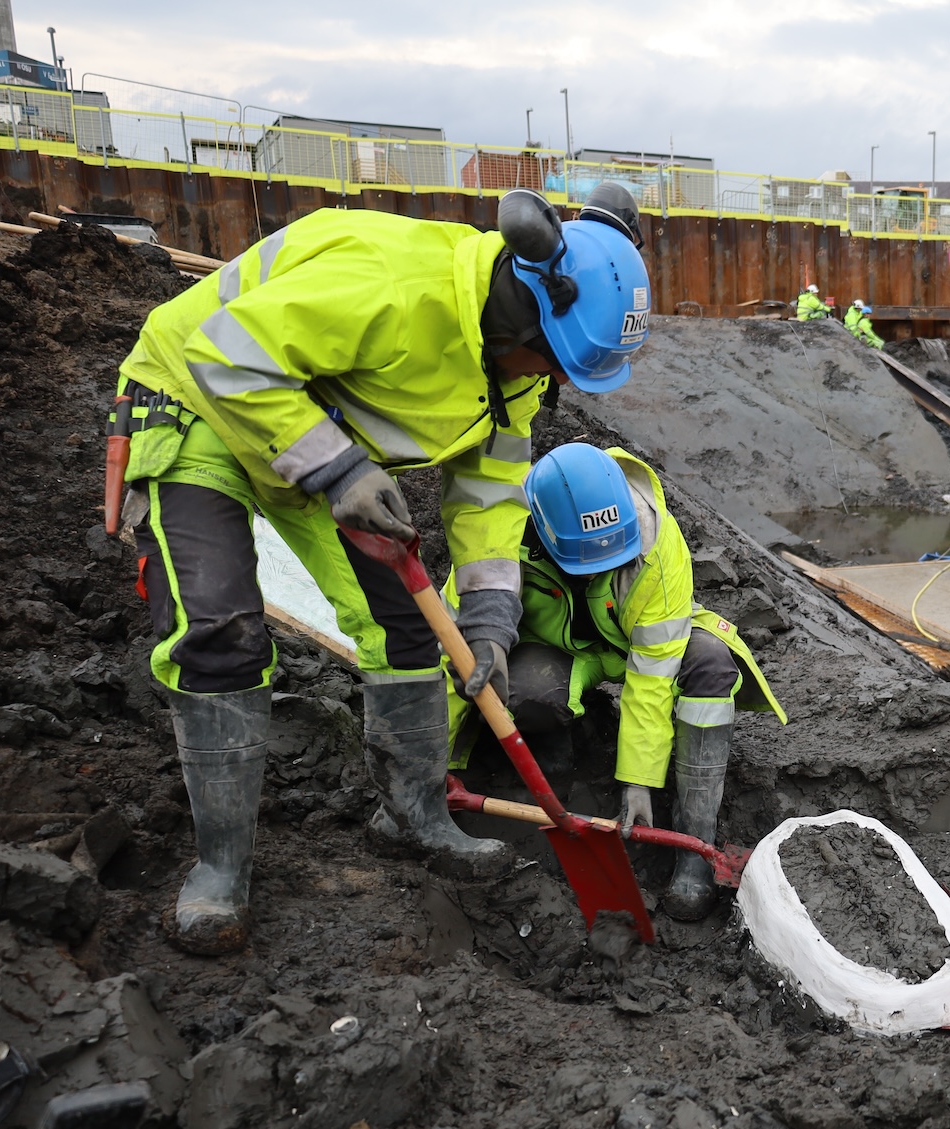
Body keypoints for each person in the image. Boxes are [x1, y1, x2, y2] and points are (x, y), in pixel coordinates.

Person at [112, 183, 650, 955]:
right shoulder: (397, 290)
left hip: (309, 434)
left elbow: (491, 489)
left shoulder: (520, 369)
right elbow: (226, 353)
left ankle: (414, 818)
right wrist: (338, 472)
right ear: (521, 305)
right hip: (200, 400)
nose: (554, 380)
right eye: (555, 361)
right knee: (221, 630)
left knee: (405, 634)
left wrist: (492, 622)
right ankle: (220, 870)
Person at [447, 441, 785, 922]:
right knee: (526, 693)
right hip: (557, 650)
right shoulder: (498, 538)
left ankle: (693, 850)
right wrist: (435, 760)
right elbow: (452, 655)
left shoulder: (657, 543)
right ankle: (556, 776)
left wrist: (638, 784)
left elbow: (651, 677)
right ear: (543, 534)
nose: (604, 571)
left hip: (637, 648)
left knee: (710, 663)